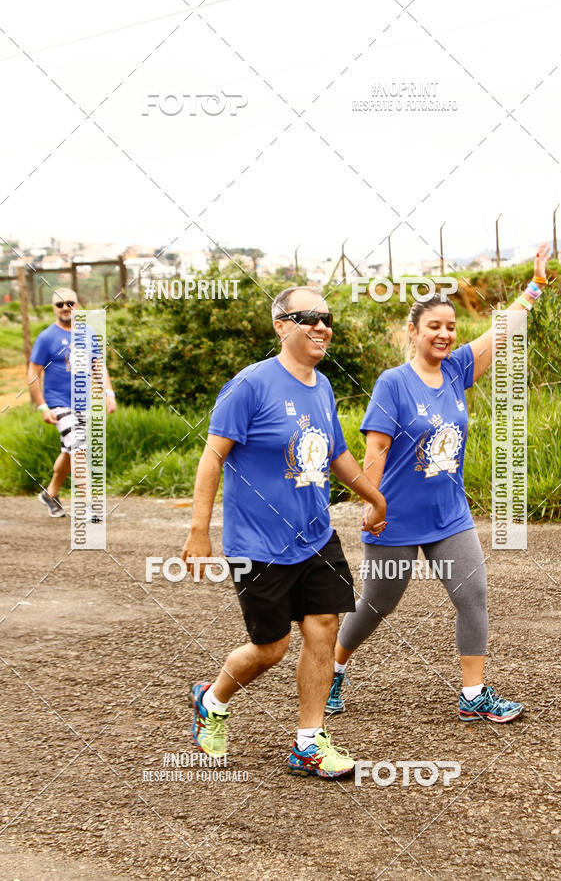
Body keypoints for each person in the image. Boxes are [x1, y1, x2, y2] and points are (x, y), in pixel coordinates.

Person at [326, 244, 552, 723]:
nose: (445, 334)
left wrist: (533, 287)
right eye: (435, 326)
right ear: (413, 332)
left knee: (473, 594)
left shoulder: (456, 370)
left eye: (451, 326)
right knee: (376, 604)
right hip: (396, 518)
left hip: (449, 516)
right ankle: (332, 669)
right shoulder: (393, 383)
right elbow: (376, 451)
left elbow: (502, 330)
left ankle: (473, 695)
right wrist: (372, 503)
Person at [182, 286, 386, 779]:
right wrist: (198, 531)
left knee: (324, 626)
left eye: (326, 318)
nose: (321, 326)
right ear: (281, 326)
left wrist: (373, 496)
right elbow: (213, 456)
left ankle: (309, 743)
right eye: (307, 317)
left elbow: (335, 453)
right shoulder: (250, 386)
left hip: (315, 535)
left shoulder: (322, 386)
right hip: (258, 544)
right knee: (270, 648)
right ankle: (212, 699)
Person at [28, 287, 117, 518]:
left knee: (69, 451)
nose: (66, 308)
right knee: (79, 447)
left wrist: (109, 392)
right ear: (53, 308)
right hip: (58, 403)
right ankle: (89, 505)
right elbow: (33, 373)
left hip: (83, 403)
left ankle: (50, 493)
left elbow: (98, 364)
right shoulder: (46, 337)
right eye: (60, 304)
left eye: (70, 303)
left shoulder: (88, 333)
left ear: (78, 305)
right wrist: (42, 406)